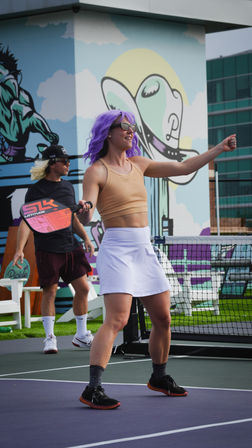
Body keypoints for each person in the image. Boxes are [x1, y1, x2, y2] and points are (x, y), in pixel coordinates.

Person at [77, 109, 237, 410]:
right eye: (124, 126)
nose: (130, 131)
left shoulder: (139, 164)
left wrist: (218, 149)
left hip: (144, 249)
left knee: (163, 317)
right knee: (117, 319)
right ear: (108, 132)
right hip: (117, 250)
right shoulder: (97, 171)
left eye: (132, 127)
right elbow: (87, 214)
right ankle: (93, 388)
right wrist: (85, 210)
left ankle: (158, 377)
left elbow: (183, 166)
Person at [13, 145, 95, 354]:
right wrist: (19, 249)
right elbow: (26, 221)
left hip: (71, 246)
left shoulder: (68, 187)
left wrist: (85, 237)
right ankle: (50, 338)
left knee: (84, 289)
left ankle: (81, 335)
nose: (68, 164)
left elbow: (71, 216)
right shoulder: (36, 190)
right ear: (52, 163)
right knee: (50, 291)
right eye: (64, 161)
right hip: (48, 248)